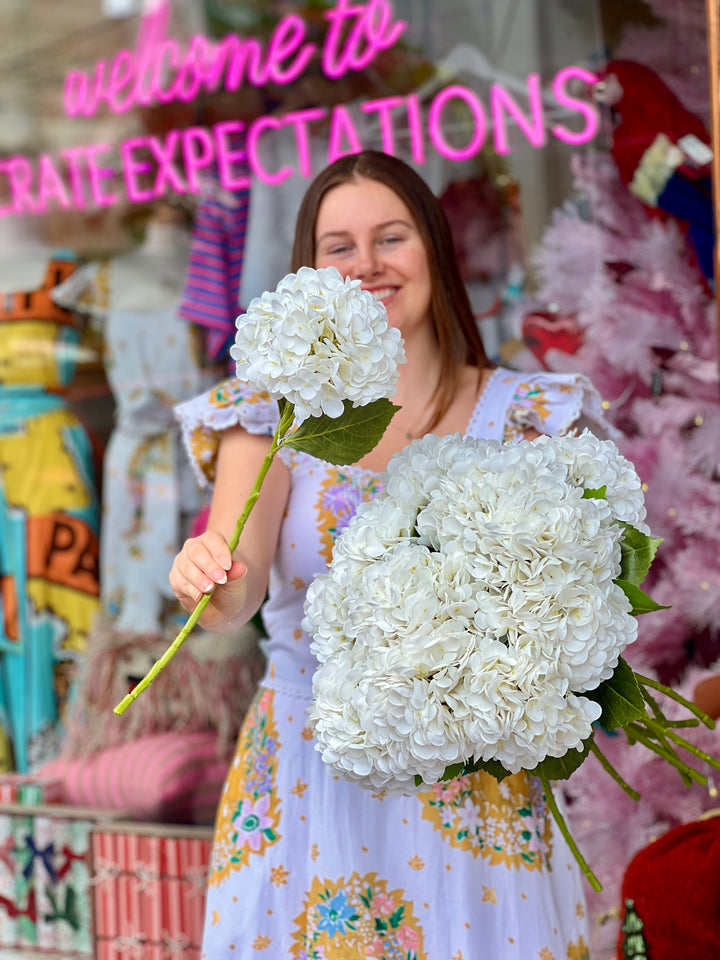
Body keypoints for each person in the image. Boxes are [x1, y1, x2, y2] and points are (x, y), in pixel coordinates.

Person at [171, 150, 616, 959]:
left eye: (391, 237)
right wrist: (208, 569)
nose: (367, 264)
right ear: (310, 272)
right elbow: (238, 586)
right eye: (338, 246)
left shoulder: (532, 416)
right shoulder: (273, 415)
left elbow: (586, 605)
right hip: (313, 774)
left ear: (435, 252)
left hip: (482, 783)